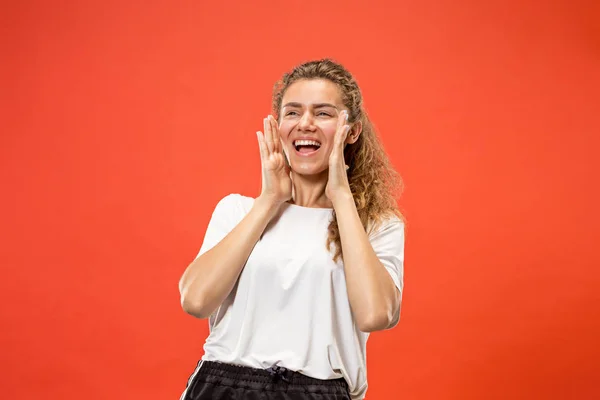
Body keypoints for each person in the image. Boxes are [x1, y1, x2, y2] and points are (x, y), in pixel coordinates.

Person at [178, 59, 406, 400]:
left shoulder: (376, 224)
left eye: (324, 113)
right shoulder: (238, 209)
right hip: (221, 385)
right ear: (278, 124)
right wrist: (270, 200)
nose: (306, 124)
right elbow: (195, 300)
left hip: (316, 391)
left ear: (352, 131)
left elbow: (376, 314)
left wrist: (341, 197)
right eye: (293, 112)